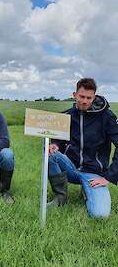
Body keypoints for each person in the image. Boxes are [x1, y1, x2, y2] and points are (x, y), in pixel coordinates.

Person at [48, 78, 118, 218]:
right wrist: (55, 144)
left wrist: (109, 177)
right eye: (81, 96)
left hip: (93, 172)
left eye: (88, 97)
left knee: (100, 215)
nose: (85, 101)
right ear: (74, 95)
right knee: (49, 153)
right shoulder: (66, 115)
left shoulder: (107, 117)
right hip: (71, 167)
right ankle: (60, 197)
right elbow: (59, 140)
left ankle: (87, 191)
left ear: (94, 97)